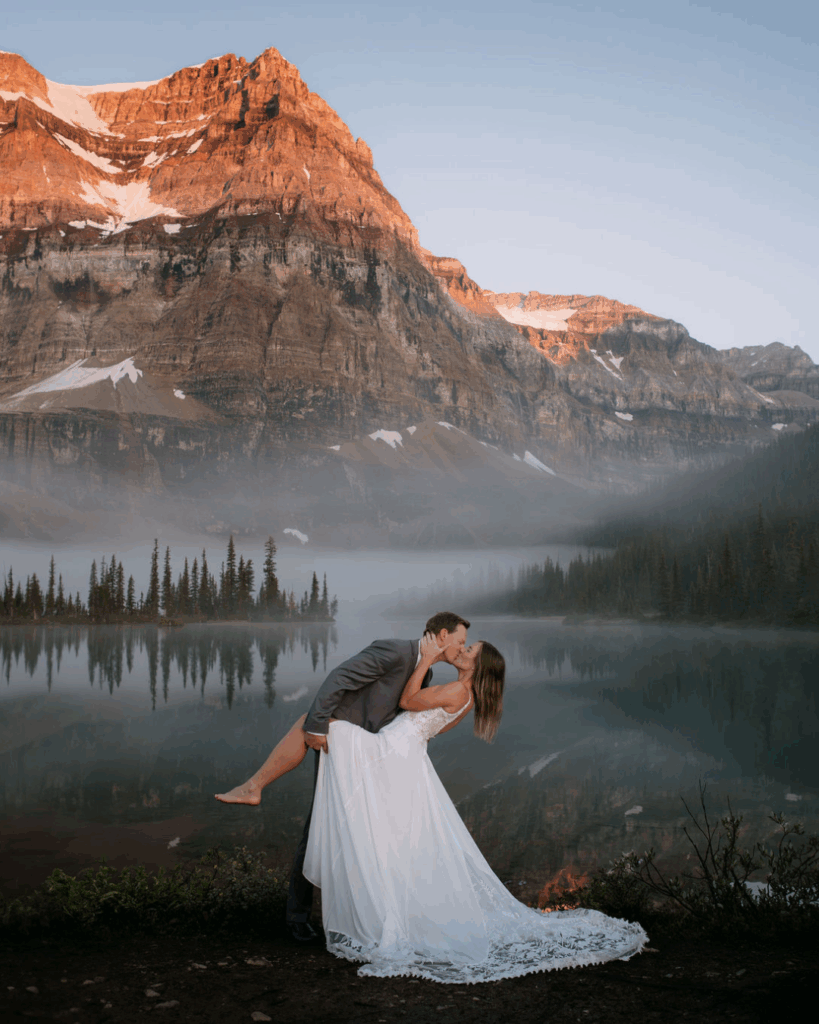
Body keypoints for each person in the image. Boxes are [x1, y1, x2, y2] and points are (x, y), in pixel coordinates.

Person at [218, 627, 648, 983]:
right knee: (331, 751)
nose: (465, 650)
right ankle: (259, 788)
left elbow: (406, 704)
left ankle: (257, 786)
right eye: (465, 642)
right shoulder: (463, 694)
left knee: (315, 722)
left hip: (389, 752)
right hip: (398, 751)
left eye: (471, 649)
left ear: (477, 666)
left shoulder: (456, 691)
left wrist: (423, 660)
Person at [215, 611, 471, 941]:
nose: (461, 648)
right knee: (321, 824)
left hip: (373, 754)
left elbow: (410, 717)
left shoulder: (427, 670)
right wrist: (317, 726)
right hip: (346, 745)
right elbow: (340, 678)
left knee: (357, 831)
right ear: (442, 635)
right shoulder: (394, 652)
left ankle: (364, 914)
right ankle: (298, 917)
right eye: (460, 641)